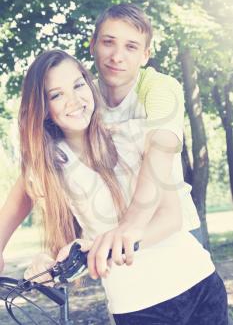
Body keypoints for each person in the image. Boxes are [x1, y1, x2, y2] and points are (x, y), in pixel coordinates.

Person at [4, 49, 227, 325]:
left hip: (198, 282)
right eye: (56, 94)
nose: (74, 100)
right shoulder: (52, 170)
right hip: (139, 306)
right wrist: (49, 262)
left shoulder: (135, 132)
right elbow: (66, 241)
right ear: (43, 109)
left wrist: (103, 247)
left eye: (78, 84)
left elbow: (171, 218)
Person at [0, 3, 201, 276]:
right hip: (120, 253)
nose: (117, 56)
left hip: (170, 234)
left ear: (145, 54)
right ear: (93, 45)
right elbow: (33, 178)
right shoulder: (83, 96)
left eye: (131, 47)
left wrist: (127, 230)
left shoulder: (159, 89)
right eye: (108, 42)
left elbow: (159, 154)